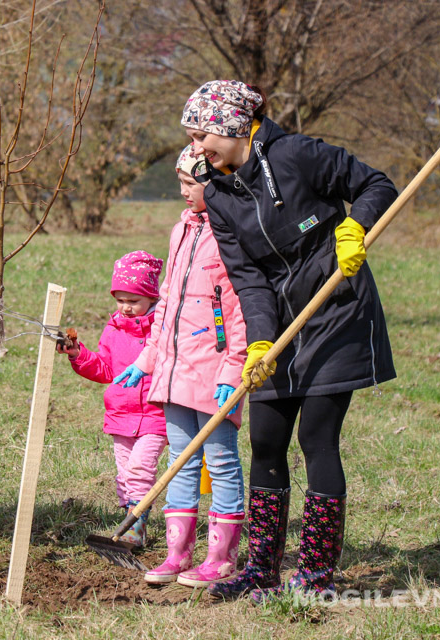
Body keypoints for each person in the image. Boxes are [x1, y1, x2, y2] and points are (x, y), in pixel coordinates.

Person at [179, 80, 398, 600]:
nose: (196, 148)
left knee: (316, 438)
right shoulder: (219, 195)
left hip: (335, 312)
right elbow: (248, 279)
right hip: (278, 325)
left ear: (232, 125)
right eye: (191, 138)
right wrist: (260, 342)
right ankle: (262, 571)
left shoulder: (297, 154)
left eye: (201, 135)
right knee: (266, 441)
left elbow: (377, 185)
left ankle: (316, 577)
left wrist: (354, 228)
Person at [115, 146, 249, 588]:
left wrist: (233, 371)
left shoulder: (234, 233)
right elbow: (168, 302)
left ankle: (221, 558)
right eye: (181, 182)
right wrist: (148, 360)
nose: (183, 191)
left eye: (192, 183)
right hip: (174, 371)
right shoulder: (180, 231)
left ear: (218, 183)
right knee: (180, 461)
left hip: (215, 373)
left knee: (221, 461)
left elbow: (242, 311)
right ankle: (178, 553)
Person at [56, 251, 167, 549]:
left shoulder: (163, 330)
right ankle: (131, 524)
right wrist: (78, 355)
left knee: (141, 469)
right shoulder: (114, 328)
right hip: (121, 414)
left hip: (155, 415)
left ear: (152, 297)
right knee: (125, 474)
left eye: (133, 301)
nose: (126, 307)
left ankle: (135, 527)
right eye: (120, 300)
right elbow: (105, 368)